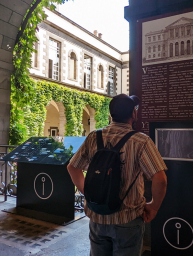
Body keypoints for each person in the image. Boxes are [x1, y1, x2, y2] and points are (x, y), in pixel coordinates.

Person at [67, 94, 168, 256]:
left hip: (97, 216)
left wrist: (90, 193)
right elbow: (160, 179)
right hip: (127, 218)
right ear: (133, 114)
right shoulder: (141, 141)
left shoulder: (94, 137)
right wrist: (154, 207)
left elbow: (72, 167)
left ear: (110, 114)